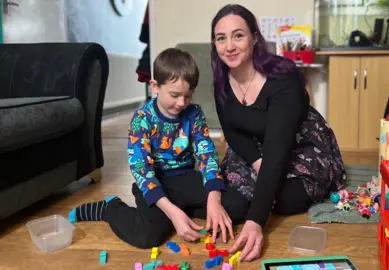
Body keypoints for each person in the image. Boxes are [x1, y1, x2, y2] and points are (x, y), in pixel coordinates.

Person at [68, 48, 248, 248]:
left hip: (187, 179)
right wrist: (171, 210)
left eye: (188, 96)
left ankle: (183, 209)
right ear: (155, 86)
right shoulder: (142, 119)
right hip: (155, 182)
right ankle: (110, 208)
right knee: (146, 236)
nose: (181, 103)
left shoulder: (194, 113)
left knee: (238, 206)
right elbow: (141, 168)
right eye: (174, 95)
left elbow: (207, 154)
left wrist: (214, 199)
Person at [211, 4, 347, 261]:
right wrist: (256, 161)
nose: (229, 46)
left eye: (238, 35)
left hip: (299, 143)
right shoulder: (221, 81)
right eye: (221, 38)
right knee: (235, 193)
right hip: (256, 145)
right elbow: (232, 131)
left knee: (284, 200)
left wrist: (255, 223)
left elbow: (277, 150)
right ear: (215, 44)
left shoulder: (284, 79)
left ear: (254, 38)